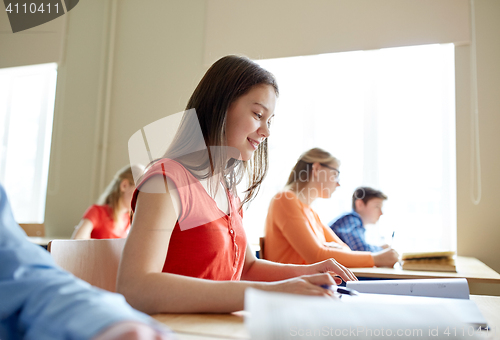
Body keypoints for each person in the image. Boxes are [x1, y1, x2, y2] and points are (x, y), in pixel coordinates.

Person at [116, 55, 358, 315]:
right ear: (220, 106)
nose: (266, 132)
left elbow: (247, 268)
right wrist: (273, 293)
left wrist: (309, 272)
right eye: (257, 114)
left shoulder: (227, 191)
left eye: (269, 120)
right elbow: (135, 287)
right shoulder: (166, 181)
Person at [0, 184, 173, 340]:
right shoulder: (98, 212)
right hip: (91, 277)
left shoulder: (126, 219)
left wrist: (106, 322)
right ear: (124, 186)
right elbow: (79, 239)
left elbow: (23, 276)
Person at [264, 148, 399, 268]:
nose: (338, 183)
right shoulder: (284, 200)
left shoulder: (311, 212)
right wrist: (376, 259)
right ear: (316, 169)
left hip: (308, 287)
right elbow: (317, 256)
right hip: (290, 291)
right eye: (335, 174)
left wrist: (327, 251)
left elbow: (345, 249)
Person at [72, 165, 138, 239]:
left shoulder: (130, 220)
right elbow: (77, 241)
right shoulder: (96, 212)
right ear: (124, 185)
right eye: (138, 191)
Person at [329, 187, 390, 252]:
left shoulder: (352, 222)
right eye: (377, 207)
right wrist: (382, 249)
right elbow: (360, 249)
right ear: (360, 204)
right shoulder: (351, 220)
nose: (381, 213)